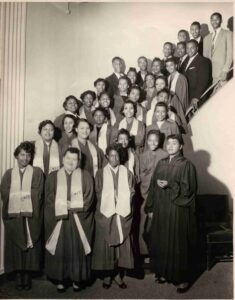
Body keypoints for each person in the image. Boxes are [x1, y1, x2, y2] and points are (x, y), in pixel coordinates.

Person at [145, 134, 197, 293]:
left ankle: (182, 278)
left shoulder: (187, 165)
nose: (171, 146)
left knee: (177, 242)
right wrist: (151, 207)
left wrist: (170, 184)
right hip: (161, 208)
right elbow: (153, 187)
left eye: (175, 143)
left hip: (176, 210)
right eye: (169, 143)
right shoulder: (161, 163)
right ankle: (164, 272)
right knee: (161, 240)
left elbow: (189, 190)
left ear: (181, 146)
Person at [44, 147, 94, 292]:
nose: (71, 162)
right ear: (62, 159)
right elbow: (48, 197)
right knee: (60, 248)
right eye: (68, 158)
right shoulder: (53, 176)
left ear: (79, 161)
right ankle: (60, 278)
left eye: (74, 159)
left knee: (77, 248)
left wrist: (74, 205)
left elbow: (89, 197)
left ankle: (77, 278)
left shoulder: (85, 175)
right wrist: (61, 204)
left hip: (79, 218)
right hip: (60, 219)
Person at [1, 142, 44, 290]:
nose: (25, 158)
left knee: (30, 242)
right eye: (22, 155)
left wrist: (20, 194)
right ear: (16, 156)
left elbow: (38, 192)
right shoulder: (8, 174)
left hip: (30, 214)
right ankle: (18, 273)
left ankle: (27, 274)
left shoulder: (37, 172)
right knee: (16, 243)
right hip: (15, 216)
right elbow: (5, 194)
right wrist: (20, 195)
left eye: (28, 155)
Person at [92, 144, 135, 289]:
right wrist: (111, 200)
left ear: (120, 157)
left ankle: (118, 274)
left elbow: (132, 191)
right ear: (107, 157)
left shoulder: (127, 173)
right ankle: (107, 275)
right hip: (106, 213)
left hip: (122, 214)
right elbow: (97, 192)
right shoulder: (100, 173)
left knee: (120, 246)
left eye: (117, 155)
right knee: (106, 245)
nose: (114, 158)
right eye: (111, 155)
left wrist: (121, 201)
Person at [139, 130, 168, 256]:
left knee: (161, 227)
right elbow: (141, 176)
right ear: (146, 141)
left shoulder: (165, 155)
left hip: (162, 196)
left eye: (155, 140)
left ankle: (160, 255)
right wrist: (150, 176)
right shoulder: (142, 156)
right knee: (145, 225)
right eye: (150, 140)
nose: (153, 143)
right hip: (147, 195)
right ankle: (146, 253)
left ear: (160, 141)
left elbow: (167, 175)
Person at [203, 12, 233, 84]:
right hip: (209, 74)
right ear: (210, 21)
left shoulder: (228, 34)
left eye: (217, 19)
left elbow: (230, 54)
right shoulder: (206, 38)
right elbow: (205, 58)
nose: (214, 21)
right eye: (212, 19)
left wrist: (225, 70)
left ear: (221, 21)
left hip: (222, 74)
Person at [183, 39, 212, 108]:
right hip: (187, 97)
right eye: (187, 48)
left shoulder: (203, 61)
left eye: (192, 48)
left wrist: (196, 97)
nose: (189, 50)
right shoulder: (185, 61)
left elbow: (203, 81)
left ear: (197, 48)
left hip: (197, 98)